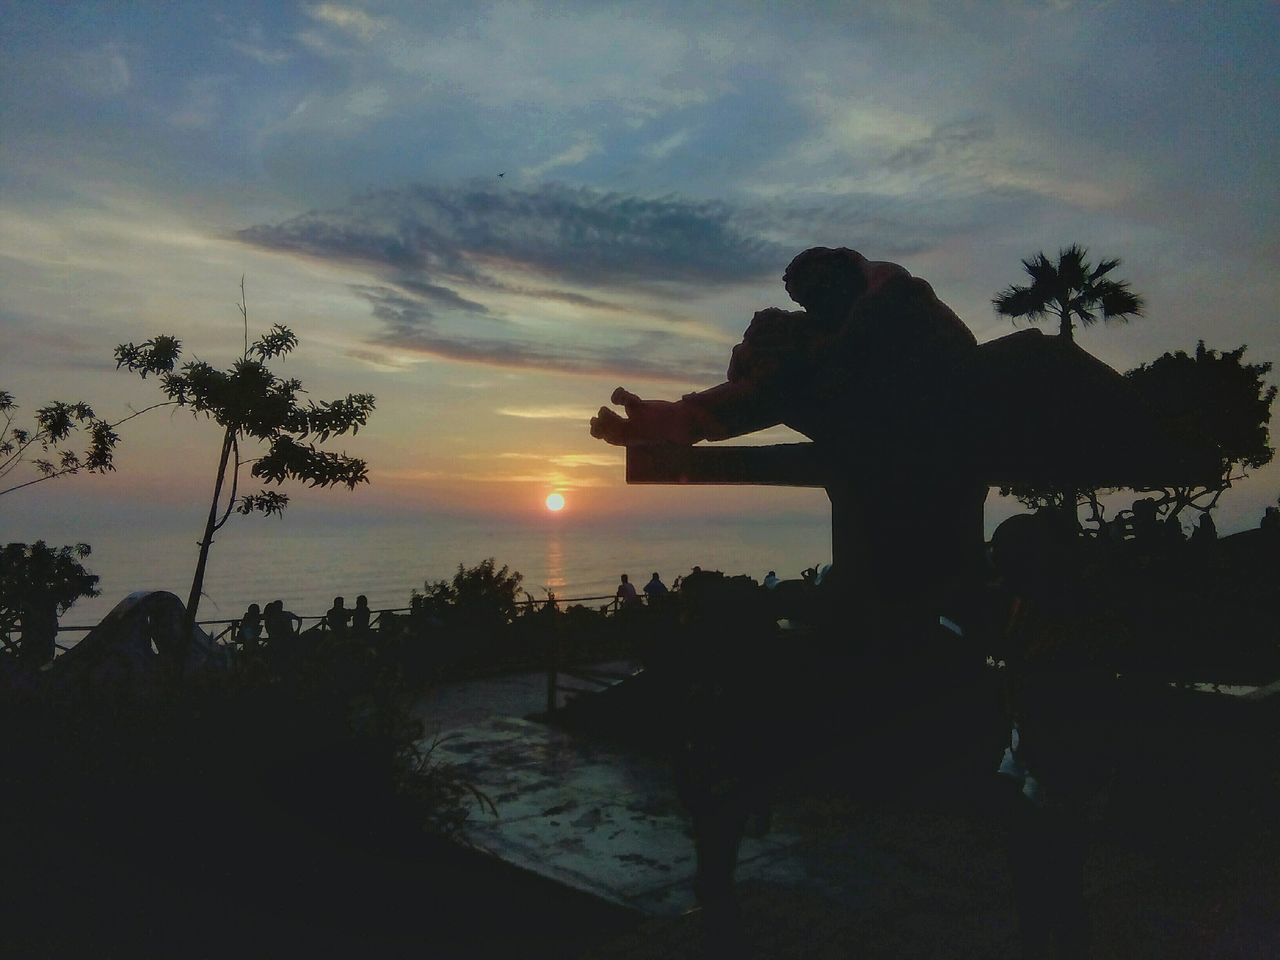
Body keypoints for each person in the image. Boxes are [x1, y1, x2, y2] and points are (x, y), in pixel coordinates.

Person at [591, 246, 987, 655]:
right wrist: (647, 424)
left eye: (817, 291)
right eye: (804, 297)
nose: (813, 302)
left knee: (935, 589)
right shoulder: (795, 375)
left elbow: (889, 296)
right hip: (893, 501)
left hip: (952, 424)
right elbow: (712, 412)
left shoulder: (883, 298)